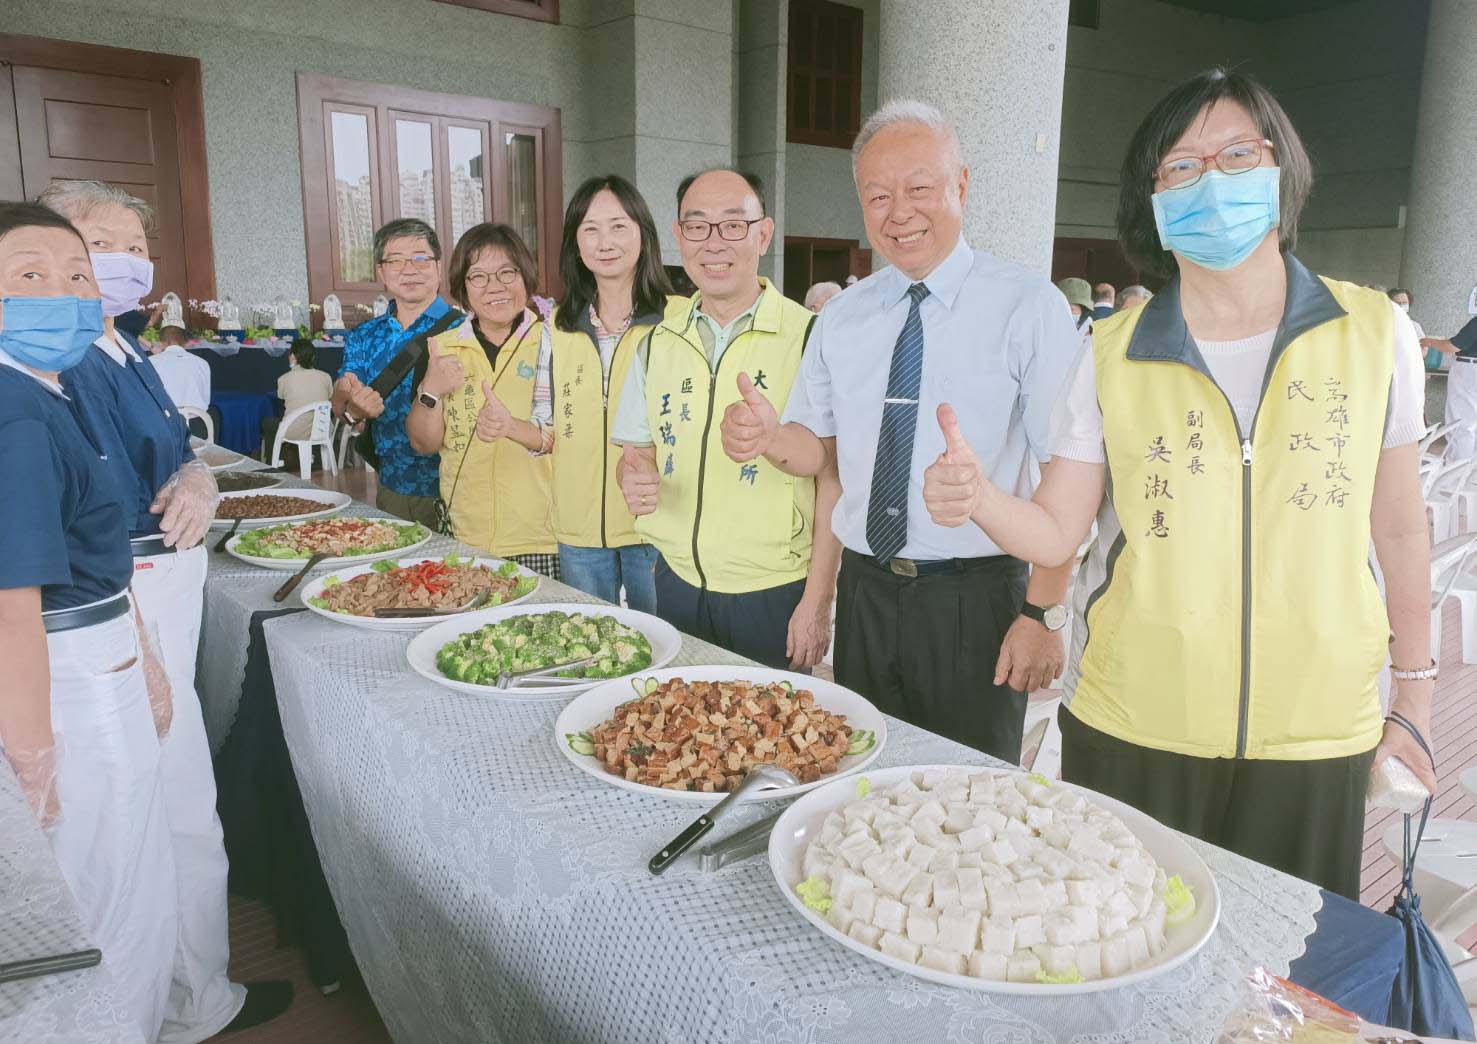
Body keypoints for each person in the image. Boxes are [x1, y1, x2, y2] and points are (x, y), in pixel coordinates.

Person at [921, 68, 1432, 899]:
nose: (1212, 182)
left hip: (1315, 727)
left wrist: (1414, 693)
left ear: (1279, 168)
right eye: (1182, 167)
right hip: (1136, 720)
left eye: (1237, 155)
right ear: (1152, 200)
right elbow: (1057, 531)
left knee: (1284, 961)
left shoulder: (1373, 332)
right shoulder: (1110, 351)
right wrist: (979, 500)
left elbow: (1401, 528)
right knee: (1126, 936)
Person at [718, 100, 1078, 761]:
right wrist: (770, 438)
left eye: (918, 188)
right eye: (878, 196)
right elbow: (819, 452)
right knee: (863, 774)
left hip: (975, 596)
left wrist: (1043, 614)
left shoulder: (1028, 308)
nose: (898, 212)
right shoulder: (842, 317)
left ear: (960, 185)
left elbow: (1068, 474)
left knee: (969, 790)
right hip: (866, 591)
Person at [40, 180, 291, 1038]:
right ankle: (156, 1009)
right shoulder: (61, 355)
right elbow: (86, 511)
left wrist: (195, 475)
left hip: (163, 588)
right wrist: (137, 641)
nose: (123, 262)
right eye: (100, 243)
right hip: (121, 600)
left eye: (136, 247)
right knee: (147, 816)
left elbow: (173, 442)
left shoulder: (124, 342)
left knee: (182, 799)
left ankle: (197, 994)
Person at [0, 200, 178, 1041]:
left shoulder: (53, 387)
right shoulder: (16, 413)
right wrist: (33, 757)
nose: (64, 294)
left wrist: (144, 655)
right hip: (67, 676)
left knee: (131, 865)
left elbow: (95, 541)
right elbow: (12, 605)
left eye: (78, 275)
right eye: (29, 275)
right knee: (110, 893)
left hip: (102, 647)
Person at [612, 168, 842, 670]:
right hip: (674, 581)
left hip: (774, 591)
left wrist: (818, 600)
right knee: (680, 716)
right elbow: (635, 454)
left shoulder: (811, 337)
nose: (714, 242)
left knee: (770, 722)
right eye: (697, 226)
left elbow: (833, 476)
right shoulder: (656, 343)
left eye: (734, 225)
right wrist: (633, 477)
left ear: (764, 234)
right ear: (679, 236)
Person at [526, 175, 675, 607]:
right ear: (575, 244)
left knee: (666, 639)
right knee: (591, 637)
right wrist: (512, 428)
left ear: (644, 235)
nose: (604, 242)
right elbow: (546, 427)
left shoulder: (678, 320)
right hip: (580, 530)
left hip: (658, 523)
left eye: (618, 226)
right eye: (590, 229)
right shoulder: (556, 326)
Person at [406, 223, 559, 575]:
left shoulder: (557, 344)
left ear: (526, 276)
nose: (495, 287)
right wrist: (431, 390)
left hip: (541, 538)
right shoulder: (441, 349)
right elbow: (423, 443)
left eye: (507, 272)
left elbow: (576, 436)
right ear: (462, 287)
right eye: (478, 277)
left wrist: (511, 427)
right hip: (465, 535)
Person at [332, 218, 455, 531]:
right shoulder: (364, 335)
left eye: (420, 258)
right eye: (396, 260)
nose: (409, 269)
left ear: (438, 267)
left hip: (457, 488)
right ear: (381, 272)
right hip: (392, 487)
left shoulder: (464, 330)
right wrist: (351, 403)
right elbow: (343, 394)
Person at [261, 338, 335, 466]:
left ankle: (274, 462)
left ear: (292, 357)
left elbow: (281, 398)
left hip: (294, 432)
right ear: (313, 358)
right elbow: (329, 399)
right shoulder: (326, 376)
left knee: (269, 422)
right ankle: (309, 458)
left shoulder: (284, 379)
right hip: (322, 430)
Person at [1420, 310, 1477, 456]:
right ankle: (1470, 465)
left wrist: (1430, 342)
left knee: (1461, 421)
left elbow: (1452, 346)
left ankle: (1458, 466)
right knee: (1473, 422)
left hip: (1469, 369)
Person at [147, 323, 211, 411]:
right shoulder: (202, 363)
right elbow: (206, 398)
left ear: (161, 343)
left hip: (163, 417)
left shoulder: (151, 361)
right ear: (185, 342)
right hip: (198, 416)